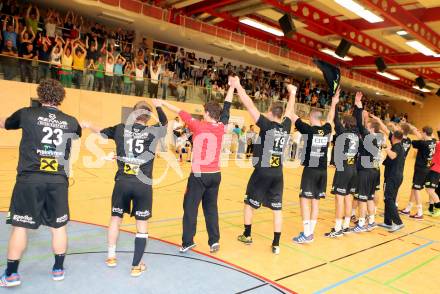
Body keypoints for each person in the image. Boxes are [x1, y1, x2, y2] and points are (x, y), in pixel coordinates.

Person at [0, 79, 82, 287]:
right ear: (61, 98)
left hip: (30, 179)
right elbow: (79, 131)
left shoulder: (26, 114)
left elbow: (6, 123)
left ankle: (11, 274)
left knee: (20, 226)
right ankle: (58, 269)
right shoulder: (71, 121)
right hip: (58, 181)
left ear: (40, 95)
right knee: (59, 227)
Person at [81, 99, 167, 277]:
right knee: (141, 225)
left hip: (122, 182)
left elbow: (102, 132)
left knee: (115, 219)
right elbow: (164, 123)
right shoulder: (152, 131)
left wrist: (89, 124)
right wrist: (158, 106)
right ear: (148, 117)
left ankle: (111, 257)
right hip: (143, 184)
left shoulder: (121, 129)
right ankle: (136, 266)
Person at [160, 77, 234, 253]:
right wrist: (232, 86)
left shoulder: (198, 126)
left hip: (199, 175)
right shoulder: (221, 126)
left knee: (190, 207)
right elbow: (228, 105)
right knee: (211, 207)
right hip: (215, 174)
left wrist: (162, 102)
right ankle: (214, 241)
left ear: (207, 113)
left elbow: (180, 111)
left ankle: (188, 241)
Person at [234, 78, 296, 254]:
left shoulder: (267, 125)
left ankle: (247, 235)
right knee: (277, 209)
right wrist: (293, 93)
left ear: (270, 112)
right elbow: (290, 110)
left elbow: (249, 104)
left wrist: (238, 86)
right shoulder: (286, 126)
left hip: (262, 172)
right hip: (278, 173)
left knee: (249, 204)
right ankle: (276, 244)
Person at [291, 88, 338, 244]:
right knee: (315, 202)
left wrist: (292, 95)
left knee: (304, 200)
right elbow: (331, 118)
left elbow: (292, 116)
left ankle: (306, 234)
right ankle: (309, 232)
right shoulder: (326, 129)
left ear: (311, 117)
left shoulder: (308, 129)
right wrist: (334, 103)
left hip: (311, 170)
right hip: (323, 171)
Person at [325, 92, 361, 238]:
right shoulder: (358, 133)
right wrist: (358, 105)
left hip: (343, 170)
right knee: (348, 197)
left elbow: (335, 118)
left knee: (339, 199)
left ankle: (338, 228)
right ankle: (346, 226)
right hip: (353, 170)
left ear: (345, 124)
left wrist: (334, 102)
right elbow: (359, 120)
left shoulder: (342, 131)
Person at [352, 93, 383, 232]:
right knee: (370, 198)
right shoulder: (379, 138)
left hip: (365, 170)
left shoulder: (368, 136)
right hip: (374, 170)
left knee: (363, 199)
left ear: (371, 129)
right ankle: (371, 221)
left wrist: (358, 105)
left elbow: (359, 123)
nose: (366, 126)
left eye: (368, 125)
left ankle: (361, 224)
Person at [399, 126, 436, 220]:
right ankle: (408, 208)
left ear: (424, 133)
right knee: (414, 187)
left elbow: (414, 142)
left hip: (421, 169)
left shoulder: (422, 143)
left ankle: (419, 213)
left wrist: (415, 132)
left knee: (416, 189)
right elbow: (425, 139)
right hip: (427, 168)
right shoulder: (434, 141)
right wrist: (420, 134)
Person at [381, 130, 405, 232]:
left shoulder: (397, 147)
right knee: (390, 198)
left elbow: (393, 156)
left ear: (393, 137)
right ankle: (387, 222)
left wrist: (385, 147)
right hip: (396, 176)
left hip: (393, 176)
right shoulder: (400, 146)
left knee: (388, 198)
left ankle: (398, 222)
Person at [425, 139, 440, 216]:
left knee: (430, 190)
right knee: (430, 189)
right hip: (433, 168)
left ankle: (438, 207)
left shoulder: (438, 144)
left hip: (435, 170)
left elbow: (432, 141)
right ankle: (430, 208)